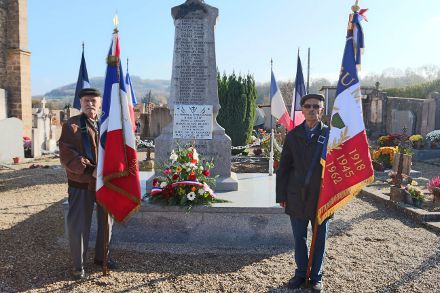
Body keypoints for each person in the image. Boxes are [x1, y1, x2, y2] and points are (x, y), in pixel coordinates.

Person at [59, 88, 117, 280]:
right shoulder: (71, 125)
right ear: (80, 103)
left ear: (100, 103)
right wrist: (89, 170)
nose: (89, 104)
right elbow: (67, 153)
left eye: (93, 100)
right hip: (81, 183)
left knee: (106, 223)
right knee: (79, 225)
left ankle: (102, 257)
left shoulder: (107, 124)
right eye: (85, 100)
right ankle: (78, 265)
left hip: (105, 183)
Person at [276, 93, 329, 292]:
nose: (312, 109)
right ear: (302, 109)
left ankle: (315, 276)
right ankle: (300, 273)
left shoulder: (332, 136)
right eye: (308, 106)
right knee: (299, 237)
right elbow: (284, 168)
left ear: (322, 111)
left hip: (322, 196)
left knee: (320, 237)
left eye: (317, 106)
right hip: (296, 195)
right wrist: (281, 195)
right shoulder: (293, 135)